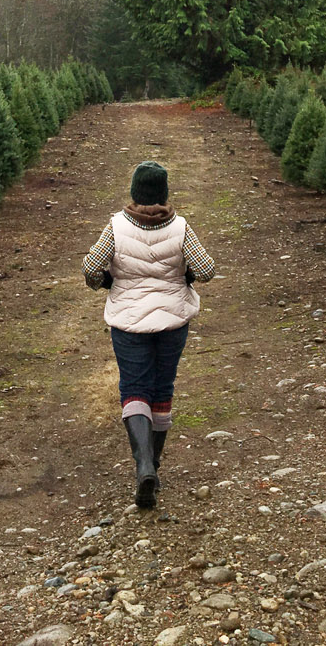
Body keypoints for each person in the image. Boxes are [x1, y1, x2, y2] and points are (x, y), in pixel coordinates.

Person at [82, 160, 215, 508]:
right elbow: (207, 269)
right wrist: (183, 278)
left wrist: (107, 282)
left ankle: (143, 467)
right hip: (173, 322)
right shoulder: (181, 227)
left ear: (135, 192)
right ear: (165, 193)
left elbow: (90, 268)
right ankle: (154, 465)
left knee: (134, 388)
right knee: (162, 388)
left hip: (129, 323)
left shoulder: (116, 227)